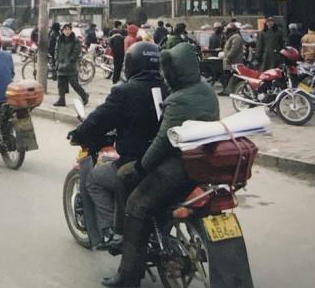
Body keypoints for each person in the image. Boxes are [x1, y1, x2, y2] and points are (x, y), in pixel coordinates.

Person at [104, 41, 219, 288]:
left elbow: (162, 142)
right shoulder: (206, 90)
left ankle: (128, 276)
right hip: (203, 162)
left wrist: (141, 167)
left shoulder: (178, 99)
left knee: (135, 203)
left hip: (180, 167)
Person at [69, 42, 164, 249]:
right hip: (166, 161)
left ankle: (113, 232)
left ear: (131, 65)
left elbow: (100, 118)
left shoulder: (125, 92)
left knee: (94, 179)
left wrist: (79, 133)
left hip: (138, 162)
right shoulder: (167, 87)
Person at [54, 23, 89, 107]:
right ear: (62, 31)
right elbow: (56, 49)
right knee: (61, 84)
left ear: (71, 30)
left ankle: (84, 96)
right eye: (65, 29)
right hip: (60, 64)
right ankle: (61, 100)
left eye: (68, 29)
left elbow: (76, 51)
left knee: (74, 83)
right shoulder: (59, 39)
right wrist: (57, 60)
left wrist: (71, 60)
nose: (67, 31)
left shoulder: (75, 39)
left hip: (70, 66)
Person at [219, 23, 245, 95]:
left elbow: (234, 49)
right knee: (227, 77)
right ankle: (226, 90)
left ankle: (228, 90)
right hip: (230, 62)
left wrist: (228, 57)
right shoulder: (232, 37)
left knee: (231, 77)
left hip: (233, 62)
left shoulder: (236, 37)